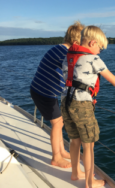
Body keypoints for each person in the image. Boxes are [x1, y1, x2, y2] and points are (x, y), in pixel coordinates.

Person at [61, 25, 115, 188]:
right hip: (81, 104)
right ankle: (89, 183)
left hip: (65, 100)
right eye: (100, 47)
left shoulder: (68, 56)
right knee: (89, 144)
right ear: (92, 43)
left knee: (74, 140)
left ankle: (75, 173)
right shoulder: (93, 59)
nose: (100, 50)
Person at [30, 21, 85, 168]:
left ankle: (61, 151)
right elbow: (74, 72)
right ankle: (56, 157)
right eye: (82, 44)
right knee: (57, 124)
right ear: (74, 42)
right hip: (43, 93)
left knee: (59, 122)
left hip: (46, 92)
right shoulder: (65, 53)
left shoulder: (59, 48)